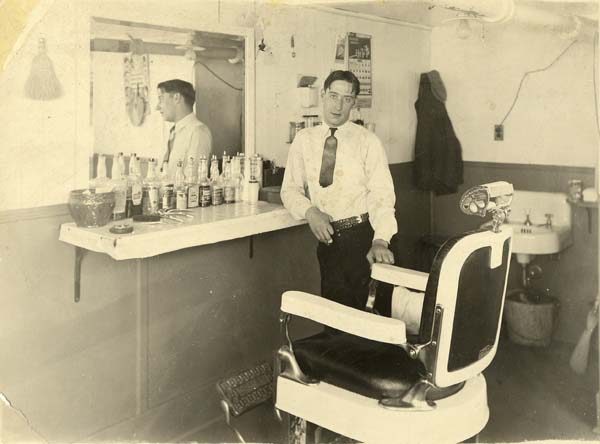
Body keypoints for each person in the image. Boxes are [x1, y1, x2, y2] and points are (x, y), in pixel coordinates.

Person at [281, 70, 397, 311]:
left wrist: (381, 241)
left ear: (354, 103)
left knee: (369, 319)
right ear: (323, 95)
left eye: (346, 99)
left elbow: (382, 197)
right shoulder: (304, 139)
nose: (338, 105)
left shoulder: (368, 141)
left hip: (364, 239)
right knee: (334, 316)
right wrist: (311, 212)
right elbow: (289, 190)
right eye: (334, 96)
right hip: (329, 243)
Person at [156, 79, 212, 176]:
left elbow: (193, 180)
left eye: (161, 99)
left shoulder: (198, 132)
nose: (157, 107)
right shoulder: (173, 132)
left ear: (176, 98)